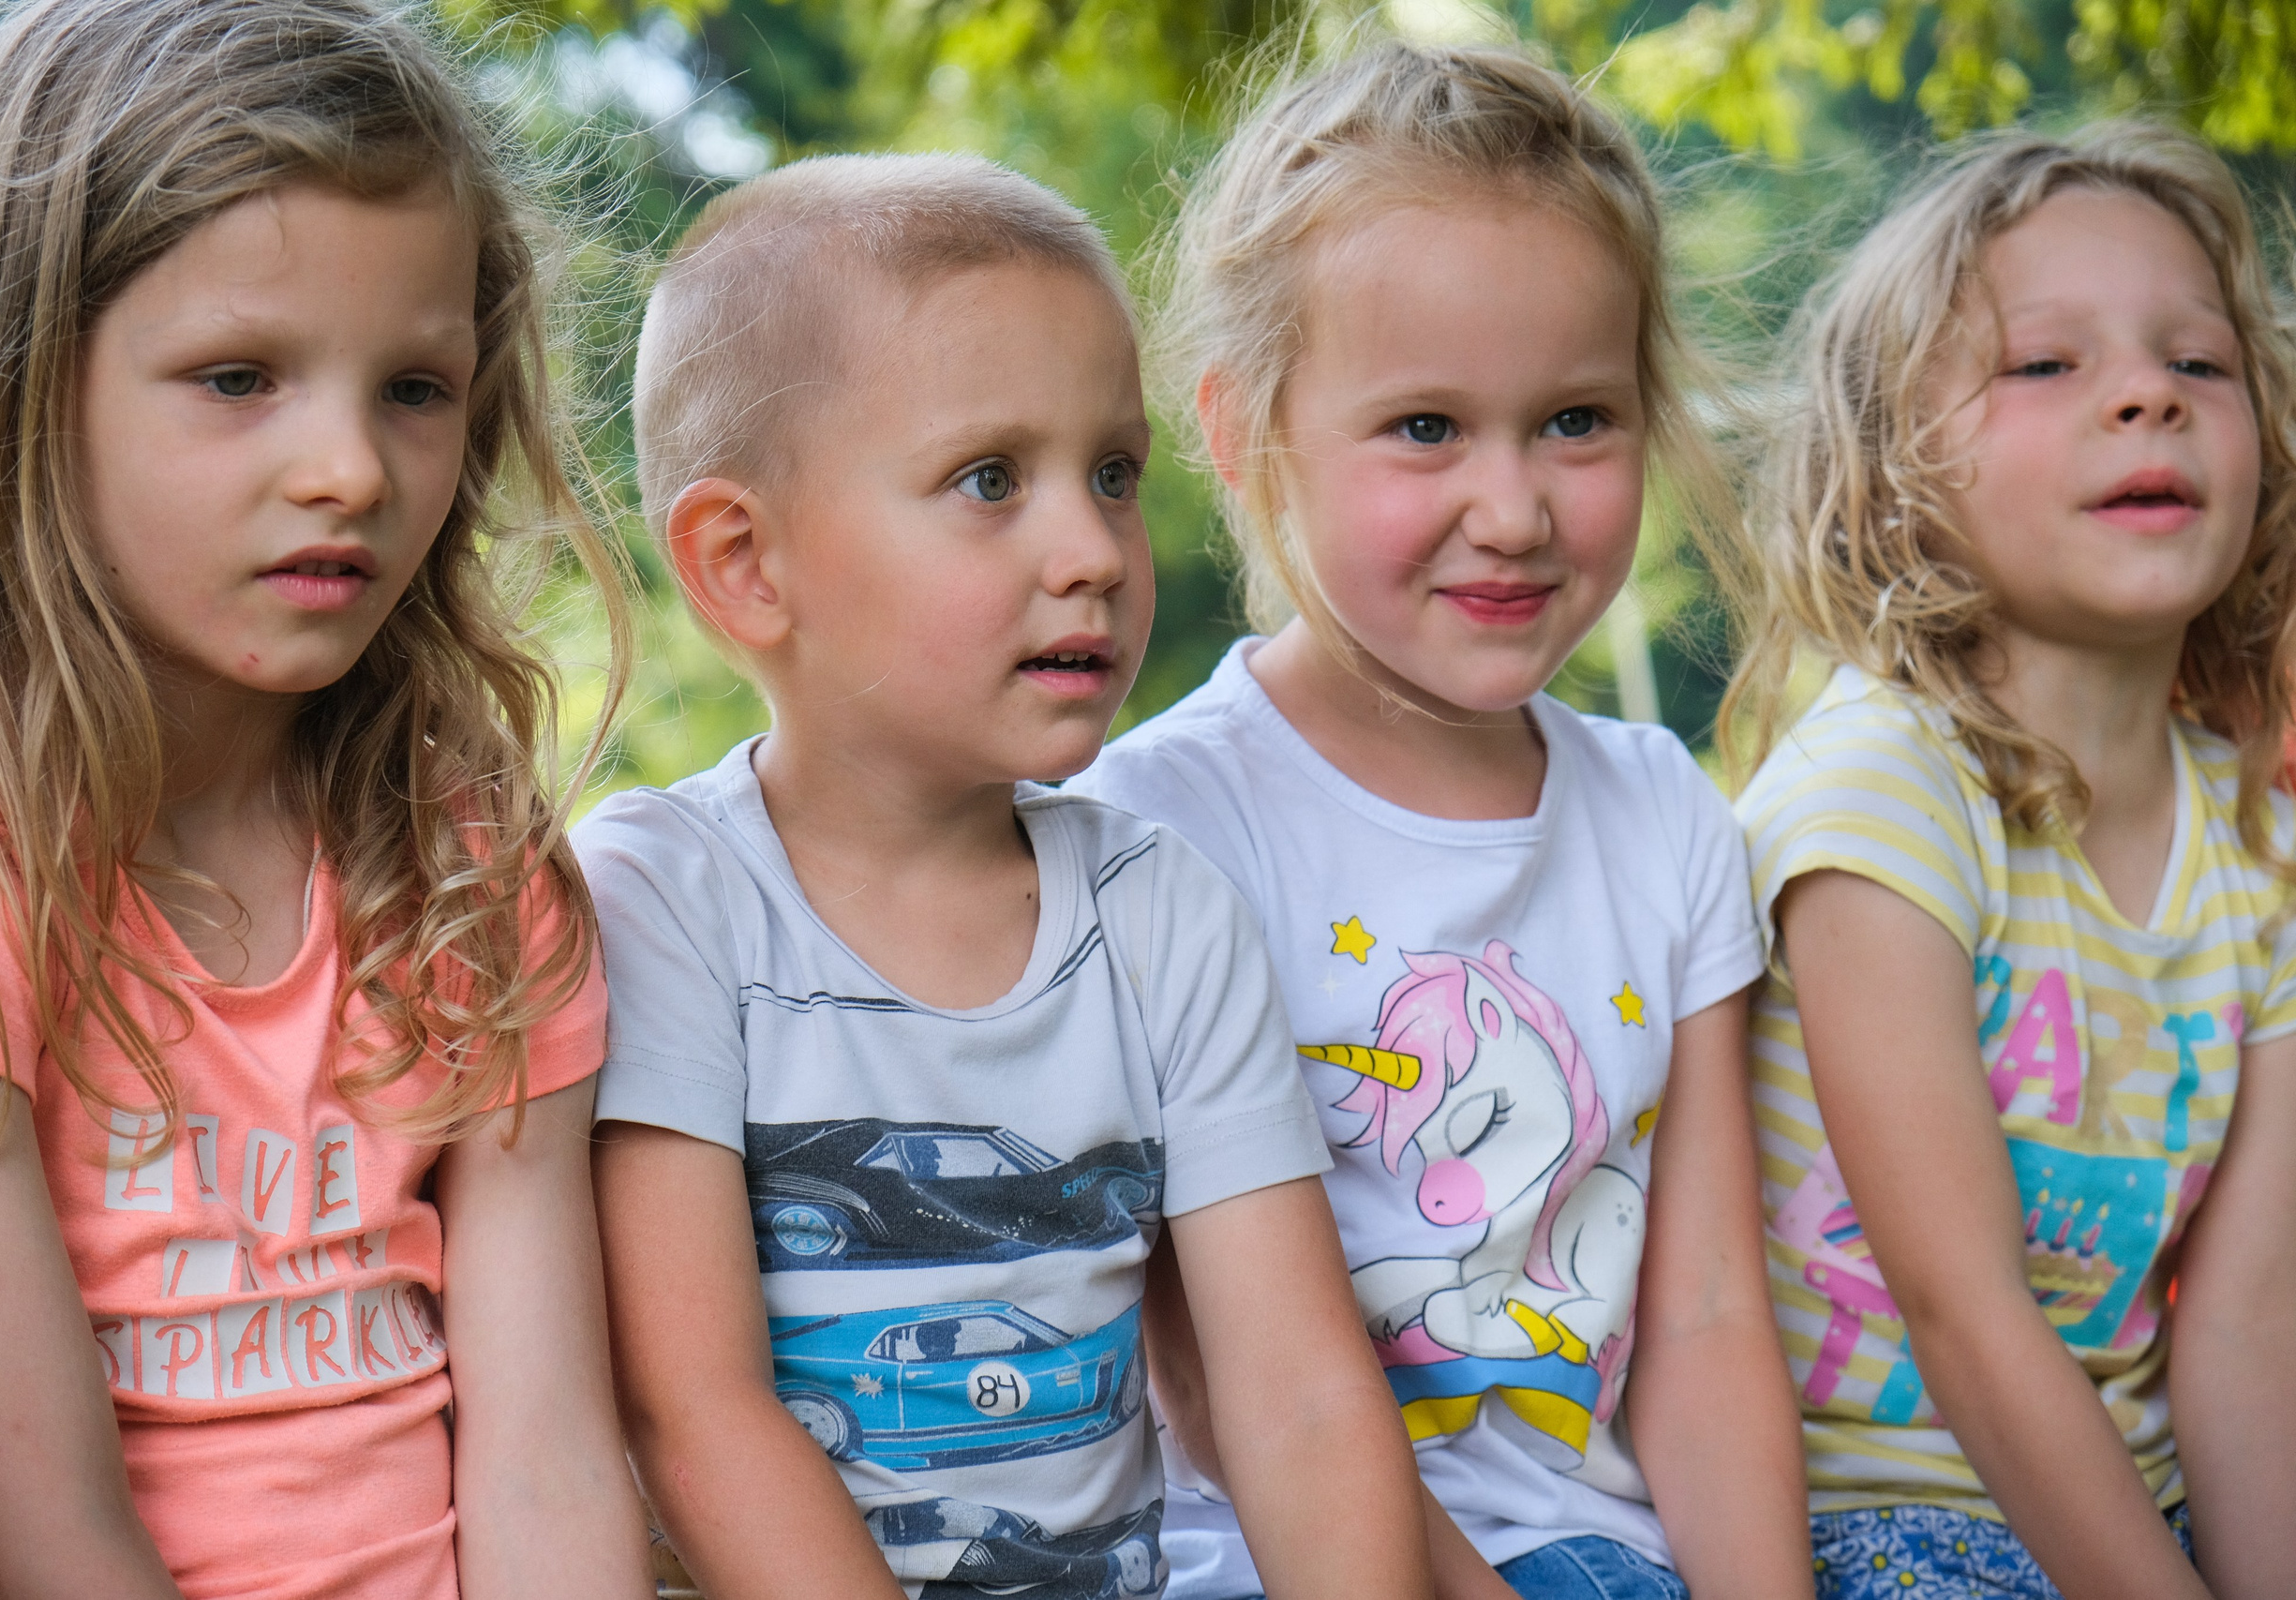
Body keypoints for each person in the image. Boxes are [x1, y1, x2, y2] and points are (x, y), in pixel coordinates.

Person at [584, 150, 1437, 1600]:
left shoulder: (1161, 914)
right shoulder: (664, 898)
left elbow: (1296, 1397)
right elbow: (697, 1414)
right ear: (746, 564)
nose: (1093, 549)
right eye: (991, 480)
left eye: (1114, 474)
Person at [0, 0, 651, 1593]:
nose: (350, 471)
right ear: (27, 387)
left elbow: (549, 1458)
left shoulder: (466, 861)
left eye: (415, 389)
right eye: (239, 377)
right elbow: (56, 1543)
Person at [1069, 40, 1812, 1600]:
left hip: (1597, 1556)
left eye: (1577, 420)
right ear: (1245, 434)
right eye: (1425, 429)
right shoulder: (1156, 830)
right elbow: (1213, 1375)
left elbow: (1703, 1324)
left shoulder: (1664, 818)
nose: (1516, 510)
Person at [1723, 123, 2296, 1600]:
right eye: (2045, 363)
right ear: (1895, 470)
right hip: (1880, 1523)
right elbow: (1961, 1310)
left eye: (2200, 361)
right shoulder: (1883, 796)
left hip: (2143, 1512)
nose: (2148, 394)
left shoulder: (2262, 847)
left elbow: (2246, 1328)